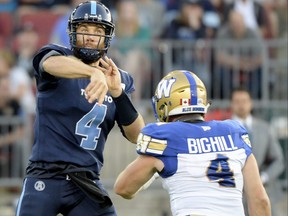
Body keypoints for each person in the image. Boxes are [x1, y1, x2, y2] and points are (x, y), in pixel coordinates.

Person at [15, 1, 145, 216]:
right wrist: (92, 73)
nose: (91, 36)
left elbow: (138, 135)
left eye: (98, 31)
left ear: (108, 36)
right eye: (84, 29)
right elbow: (49, 64)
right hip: (45, 175)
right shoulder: (56, 56)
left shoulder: (119, 78)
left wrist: (118, 93)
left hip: (86, 182)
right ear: (73, 33)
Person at [114, 70, 271, 216]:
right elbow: (260, 201)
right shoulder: (234, 132)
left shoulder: (166, 138)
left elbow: (123, 188)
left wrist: (152, 171)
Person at [230, 86, 285, 216]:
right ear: (232, 104)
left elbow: (278, 161)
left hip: (263, 192)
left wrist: (263, 178)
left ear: (251, 103)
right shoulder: (223, 129)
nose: (241, 105)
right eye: (237, 101)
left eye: (244, 101)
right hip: (233, 193)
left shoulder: (264, 128)